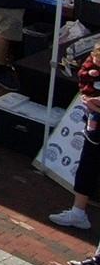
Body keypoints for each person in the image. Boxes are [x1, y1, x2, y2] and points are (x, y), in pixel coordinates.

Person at [49, 46, 100, 231]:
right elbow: (85, 74)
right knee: (88, 164)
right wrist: (89, 95)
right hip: (95, 125)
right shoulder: (97, 53)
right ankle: (78, 213)